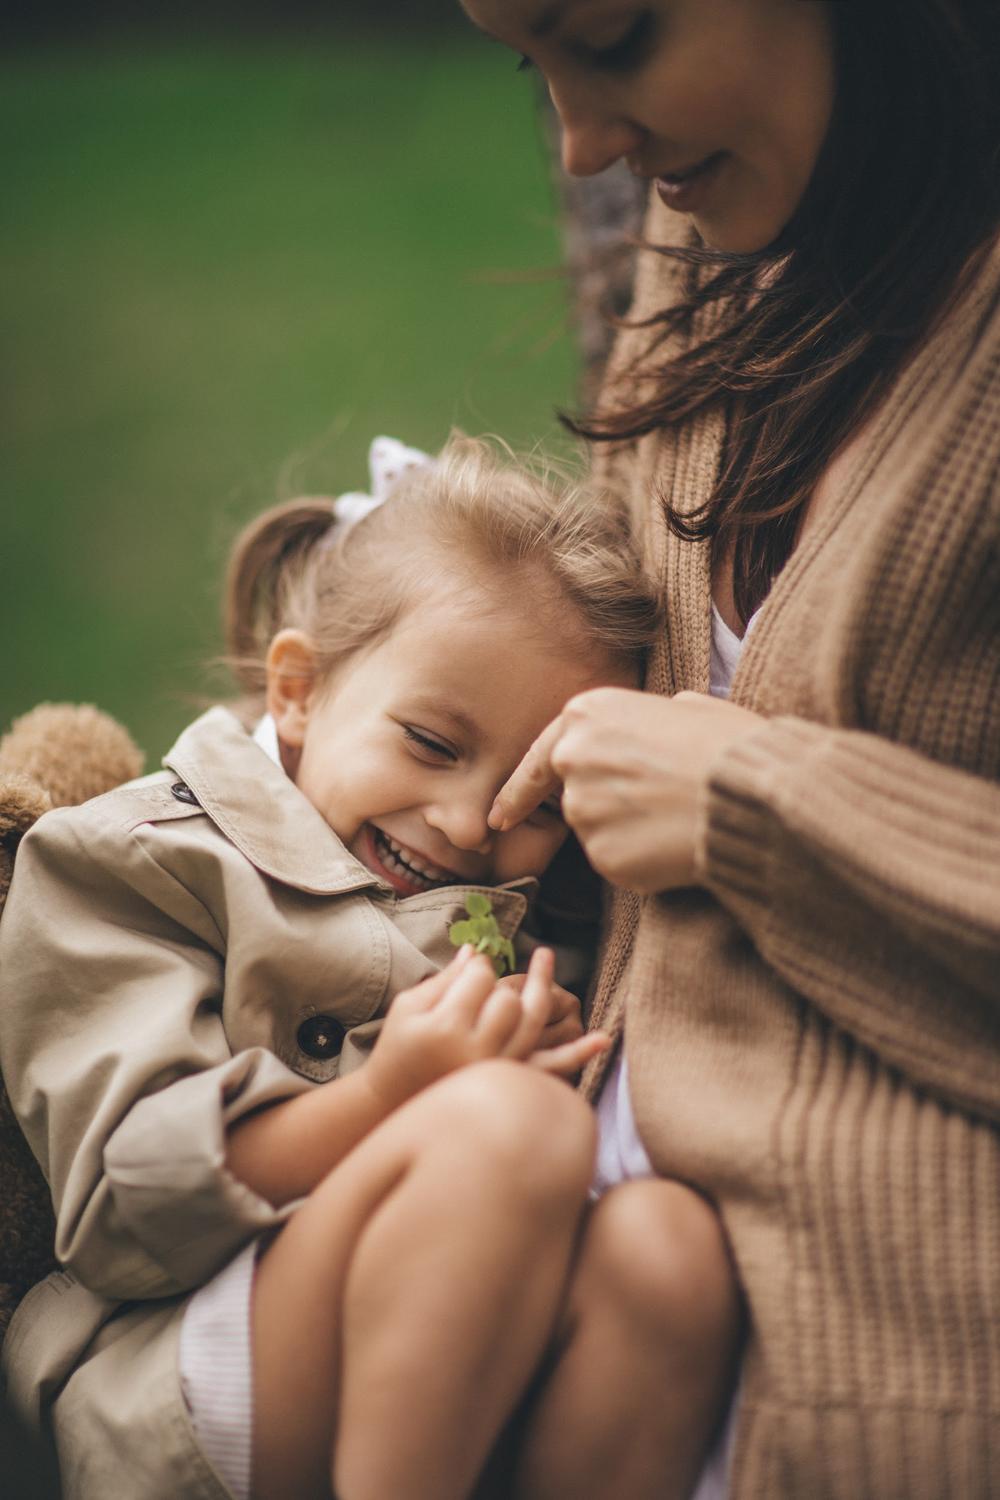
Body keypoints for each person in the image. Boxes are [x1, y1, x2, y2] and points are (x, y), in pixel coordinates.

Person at [458, 2, 1000, 1497]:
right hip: (553, 1314)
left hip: (873, 1409)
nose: (585, 150)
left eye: (618, 39)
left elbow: (700, 777)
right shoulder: (712, 227)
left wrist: (759, 803)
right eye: (533, 66)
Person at [0, 435, 741, 1500]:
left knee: (670, 1256)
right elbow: (124, 1210)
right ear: (297, 692)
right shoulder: (138, 863)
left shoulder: (536, 931)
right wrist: (396, 1091)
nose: (468, 823)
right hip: (178, 1379)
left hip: (435, 1378)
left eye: (533, 803)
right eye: (433, 745)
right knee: (510, 1126)